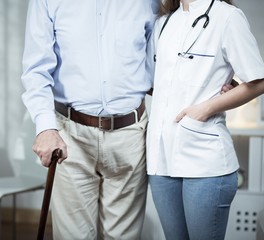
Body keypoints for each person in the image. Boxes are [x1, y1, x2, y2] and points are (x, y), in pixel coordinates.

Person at [20, 0, 159, 239]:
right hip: (70, 137)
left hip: (131, 135)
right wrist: (45, 129)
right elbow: (36, 70)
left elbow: (159, 63)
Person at [146, 0, 264, 239]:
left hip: (205, 161)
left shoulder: (228, 17)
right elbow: (154, 84)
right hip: (161, 161)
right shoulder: (163, 22)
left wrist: (206, 107)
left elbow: (258, 81)